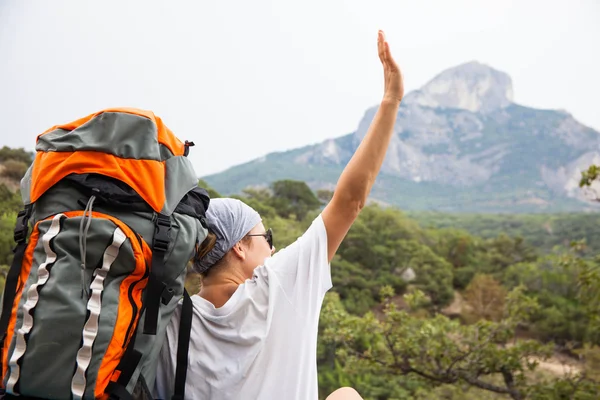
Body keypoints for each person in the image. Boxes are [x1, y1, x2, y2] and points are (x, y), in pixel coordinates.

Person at [153, 30, 404, 400]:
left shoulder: (169, 319)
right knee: (346, 396)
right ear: (239, 247)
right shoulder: (277, 286)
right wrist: (391, 101)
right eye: (265, 238)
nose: (272, 249)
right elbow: (350, 201)